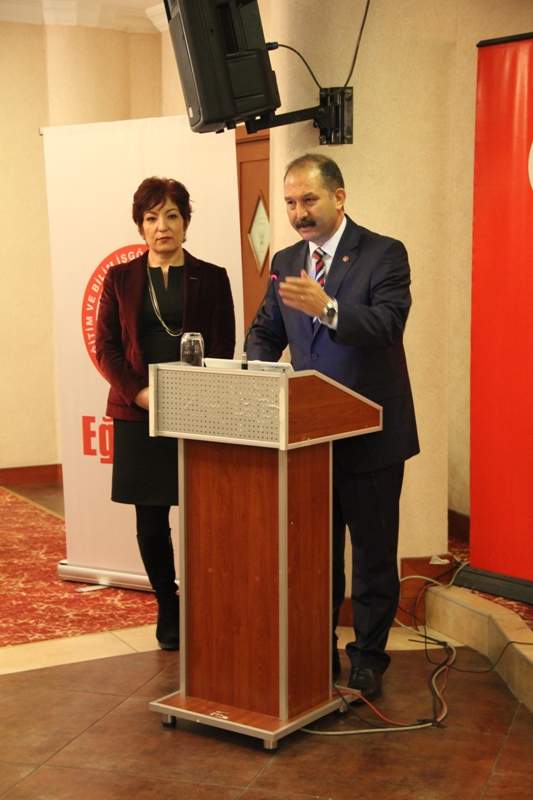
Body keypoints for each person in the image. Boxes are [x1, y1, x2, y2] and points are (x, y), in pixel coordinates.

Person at [247, 154, 419, 702]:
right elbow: (266, 330)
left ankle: (368, 658)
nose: (298, 213)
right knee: (315, 557)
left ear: (339, 197)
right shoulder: (286, 260)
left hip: (371, 435)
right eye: (290, 202)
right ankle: (315, 648)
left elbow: (388, 323)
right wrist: (258, 369)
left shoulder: (383, 253)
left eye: (308, 200)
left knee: (372, 556)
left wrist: (330, 309)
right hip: (308, 437)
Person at [95, 176, 236, 650]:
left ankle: (206, 598)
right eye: (152, 217)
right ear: (140, 226)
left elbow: (223, 344)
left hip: (197, 412)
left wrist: (191, 397)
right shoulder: (120, 279)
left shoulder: (212, 277)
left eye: (172, 216)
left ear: (186, 223)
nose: (162, 226)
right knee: (151, 519)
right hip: (138, 413)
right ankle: (168, 604)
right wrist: (140, 394)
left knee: (204, 514)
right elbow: (106, 347)